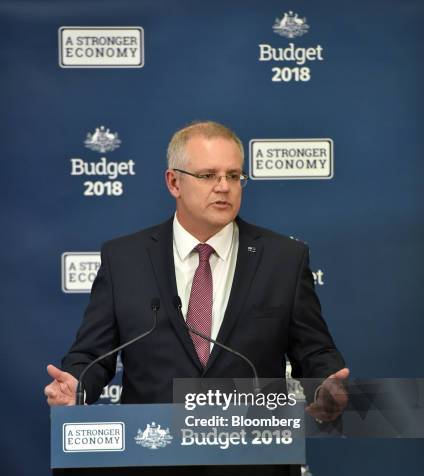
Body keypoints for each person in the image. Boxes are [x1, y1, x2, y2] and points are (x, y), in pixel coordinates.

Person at [44, 121, 348, 421]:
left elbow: (315, 352)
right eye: (207, 175)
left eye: (233, 175)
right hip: (153, 454)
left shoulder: (284, 259)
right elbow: (92, 354)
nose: (224, 187)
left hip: (253, 457)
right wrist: (77, 386)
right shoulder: (124, 259)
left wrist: (326, 385)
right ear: (174, 182)